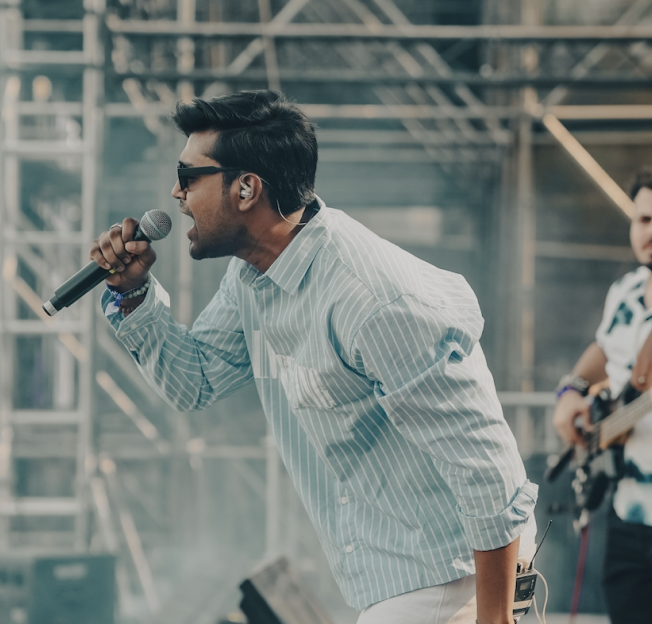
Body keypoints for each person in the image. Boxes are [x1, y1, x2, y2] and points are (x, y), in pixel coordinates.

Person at [91, 90, 537, 624]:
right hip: (402, 575)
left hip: (453, 576)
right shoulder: (252, 277)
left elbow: (486, 468)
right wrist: (132, 293)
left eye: (187, 175)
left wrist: (495, 616)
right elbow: (196, 380)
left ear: (246, 188)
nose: (175, 193)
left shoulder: (371, 300)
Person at [553, 166, 652, 624]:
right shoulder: (626, 290)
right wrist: (572, 389)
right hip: (626, 509)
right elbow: (605, 348)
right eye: (644, 219)